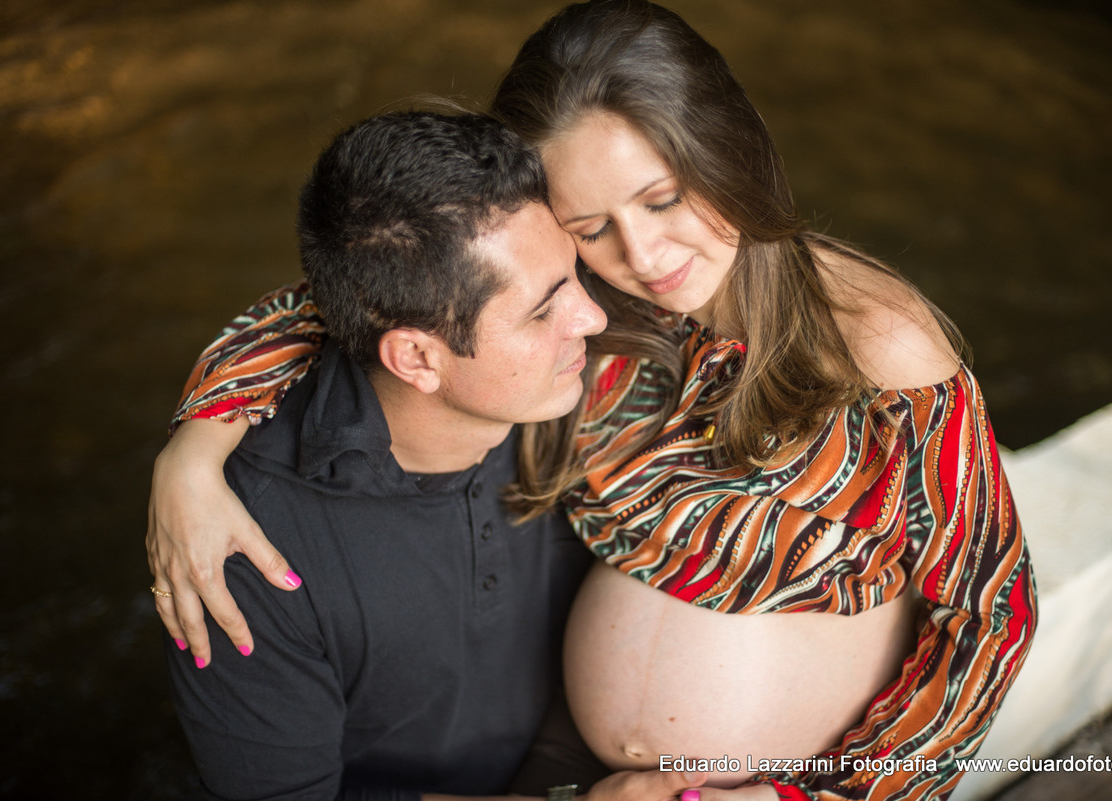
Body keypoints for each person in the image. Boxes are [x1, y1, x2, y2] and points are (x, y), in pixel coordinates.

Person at [149, 2, 1037, 799]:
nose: (644, 255)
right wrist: (194, 447)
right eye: (589, 228)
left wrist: (831, 799)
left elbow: (993, 611)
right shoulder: (587, 302)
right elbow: (366, 289)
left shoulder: (876, 346)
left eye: (664, 199)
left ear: (723, 148)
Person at [156, 107, 716, 801]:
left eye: (575, 272)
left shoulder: (574, 384)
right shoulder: (243, 551)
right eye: (543, 310)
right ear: (417, 356)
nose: (594, 316)